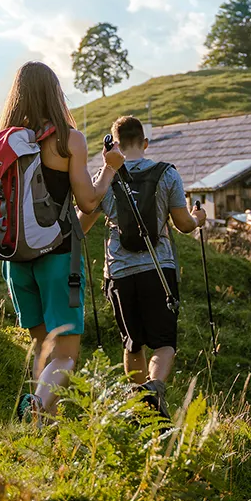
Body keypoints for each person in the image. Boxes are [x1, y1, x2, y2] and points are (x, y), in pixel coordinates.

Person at [0, 61, 124, 419]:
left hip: (15, 259)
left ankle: (39, 424)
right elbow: (87, 200)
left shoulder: (3, 143)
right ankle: (35, 409)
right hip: (58, 258)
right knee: (65, 356)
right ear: (55, 92)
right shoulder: (67, 139)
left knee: (43, 350)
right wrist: (109, 167)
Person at [82, 114, 206, 419]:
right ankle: (155, 389)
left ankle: (140, 409)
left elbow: (81, 225)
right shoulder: (167, 174)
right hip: (159, 269)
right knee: (164, 342)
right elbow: (184, 224)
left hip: (120, 272)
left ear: (114, 145)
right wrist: (198, 218)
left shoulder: (105, 176)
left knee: (133, 342)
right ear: (145, 143)